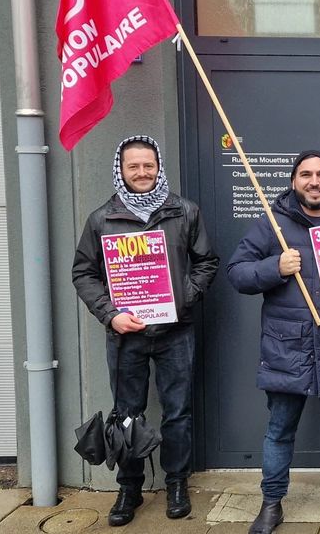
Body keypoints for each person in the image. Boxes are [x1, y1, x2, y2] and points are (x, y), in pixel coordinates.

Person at [228, 150, 320, 533]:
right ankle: (272, 503)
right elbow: (237, 272)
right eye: (306, 174)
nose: (315, 181)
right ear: (294, 181)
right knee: (280, 430)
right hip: (286, 349)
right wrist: (273, 268)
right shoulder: (272, 225)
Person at [72, 136, 219, 527]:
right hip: (125, 336)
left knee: (178, 413)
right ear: (120, 170)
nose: (141, 173)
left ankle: (176, 483)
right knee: (126, 414)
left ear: (159, 167)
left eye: (148, 165)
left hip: (176, 331)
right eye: (133, 166)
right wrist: (110, 314)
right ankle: (130, 486)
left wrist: (182, 299)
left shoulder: (185, 211)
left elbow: (207, 262)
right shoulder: (101, 219)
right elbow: (83, 273)